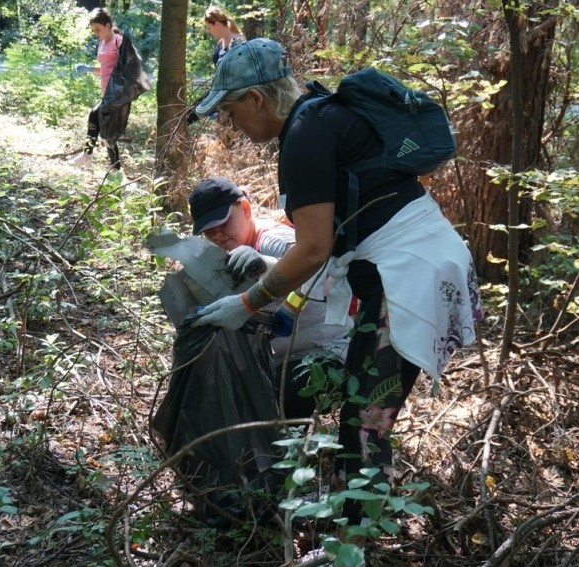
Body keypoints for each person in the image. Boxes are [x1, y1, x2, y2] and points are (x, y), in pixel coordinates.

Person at [191, 38, 483, 538]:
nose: (230, 123)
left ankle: (354, 544)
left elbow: (312, 248)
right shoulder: (321, 119)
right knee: (360, 408)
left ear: (258, 99)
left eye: (231, 109)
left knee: (365, 421)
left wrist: (246, 303)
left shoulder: (304, 134)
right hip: (420, 269)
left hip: (407, 280)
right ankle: (353, 528)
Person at [188, 175, 351, 417]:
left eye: (223, 223)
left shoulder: (271, 239)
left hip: (328, 355)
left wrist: (266, 264)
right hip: (283, 360)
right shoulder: (227, 256)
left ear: (244, 209)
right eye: (209, 232)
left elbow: (319, 275)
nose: (218, 235)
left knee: (269, 405)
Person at [70, 7, 151, 169]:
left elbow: (131, 67)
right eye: (94, 30)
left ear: (108, 25)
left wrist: (128, 88)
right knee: (107, 132)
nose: (96, 33)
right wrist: (89, 68)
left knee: (103, 127)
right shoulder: (102, 43)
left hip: (118, 95)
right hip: (107, 93)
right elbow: (106, 69)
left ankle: (92, 157)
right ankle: (112, 168)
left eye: (98, 29)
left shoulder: (119, 41)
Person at [187, 6, 247, 125]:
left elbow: (237, 77)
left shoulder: (239, 44)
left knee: (193, 115)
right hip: (217, 90)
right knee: (188, 114)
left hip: (229, 93)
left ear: (217, 24)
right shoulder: (221, 43)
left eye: (209, 27)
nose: (209, 31)